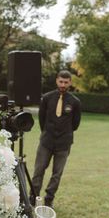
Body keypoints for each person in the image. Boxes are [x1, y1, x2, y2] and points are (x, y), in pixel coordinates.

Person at [31, 70, 81, 208]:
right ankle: (33, 197)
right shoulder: (46, 98)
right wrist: (47, 133)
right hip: (46, 142)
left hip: (64, 144)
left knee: (57, 174)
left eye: (66, 82)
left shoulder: (75, 102)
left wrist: (63, 133)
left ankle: (49, 198)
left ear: (70, 82)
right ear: (56, 80)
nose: (63, 84)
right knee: (39, 170)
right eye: (61, 81)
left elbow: (75, 124)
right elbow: (42, 119)